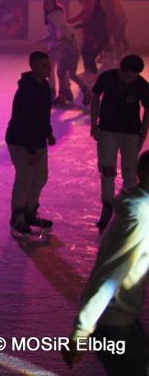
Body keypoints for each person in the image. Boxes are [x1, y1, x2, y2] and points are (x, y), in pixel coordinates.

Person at [64, 151, 149, 374]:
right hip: (114, 325)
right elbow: (109, 274)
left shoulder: (139, 206)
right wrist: (81, 331)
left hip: (121, 320)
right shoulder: (141, 215)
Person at [90, 54, 149, 230]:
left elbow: (148, 108)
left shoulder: (141, 85)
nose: (132, 79)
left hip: (131, 133)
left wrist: (143, 132)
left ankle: (128, 210)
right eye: (129, 76)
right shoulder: (107, 77)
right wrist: (93, 123)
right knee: (107, 169)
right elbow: (95, 97)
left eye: (135, 76)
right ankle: (107, 205)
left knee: (130, 172)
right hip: (107, 130)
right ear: (121, 71)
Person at [5, 51, 56, 236]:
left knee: (40, 177)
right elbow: (24, 120)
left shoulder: (44, 86)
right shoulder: (26, 90)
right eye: (44, 66)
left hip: (37, 139)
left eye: (48, 65)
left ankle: (29, 213)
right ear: (33, 66)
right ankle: (17, 216)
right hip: (21, 141)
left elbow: (43, 114)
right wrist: (32, 149)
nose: (48, 69)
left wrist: (48, 133)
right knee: (25, 176)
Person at [42, 0, 83, 106]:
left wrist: (59, 38)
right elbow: (56, 32)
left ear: (54, 4)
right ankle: (64, 92)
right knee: (58, 69)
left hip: (60, 46)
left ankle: (61, 92)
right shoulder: (54, 15)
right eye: (46, 4)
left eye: (50, 3)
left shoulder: (55, 15)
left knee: (60, 70)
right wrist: (44, 40)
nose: (48, 5)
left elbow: (60, 28)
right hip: (57, 46)